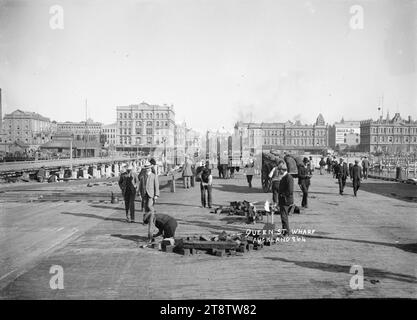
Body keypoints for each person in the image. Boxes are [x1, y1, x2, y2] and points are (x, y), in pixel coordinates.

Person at [139, 161, 160, 240]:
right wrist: (139, 194)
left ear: (150, 168)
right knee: (146, 209)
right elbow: (141, 185)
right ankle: (149, 219)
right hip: (145, 195)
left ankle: (153, 214)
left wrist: (156, 195)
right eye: (146, 168)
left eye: (148, 168)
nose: (147, 169)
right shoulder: (143, 176)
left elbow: (156, 186)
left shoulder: (154, 176)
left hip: (151, 195)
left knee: (149, 206)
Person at [277, 162, 293, 237]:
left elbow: (290, 190)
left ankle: (286, 233)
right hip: (283, 200)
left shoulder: (288, 177)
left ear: (283, 170)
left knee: (284, 217)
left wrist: (282, 194)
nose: (279, 171)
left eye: (279, 170)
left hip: (285, 200)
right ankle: (285, 231)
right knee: (283, 217)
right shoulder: (284, 177)